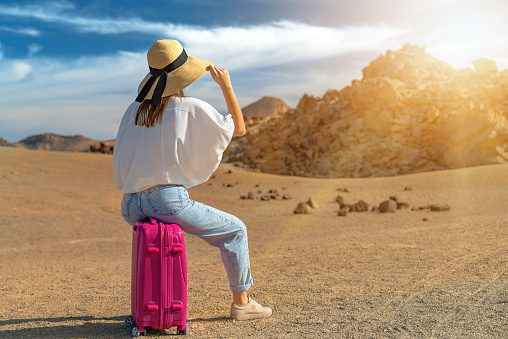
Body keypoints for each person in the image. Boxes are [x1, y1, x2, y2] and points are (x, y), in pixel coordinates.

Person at [113, 39, 272, 321]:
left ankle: (151, 303)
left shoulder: (132, 111)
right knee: (236, 231)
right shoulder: (187, 107)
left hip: (129, 204)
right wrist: (226, 85)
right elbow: (239, 129)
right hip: (165, 200)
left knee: (155, 245)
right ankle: (242, 304)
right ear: (183, 77)